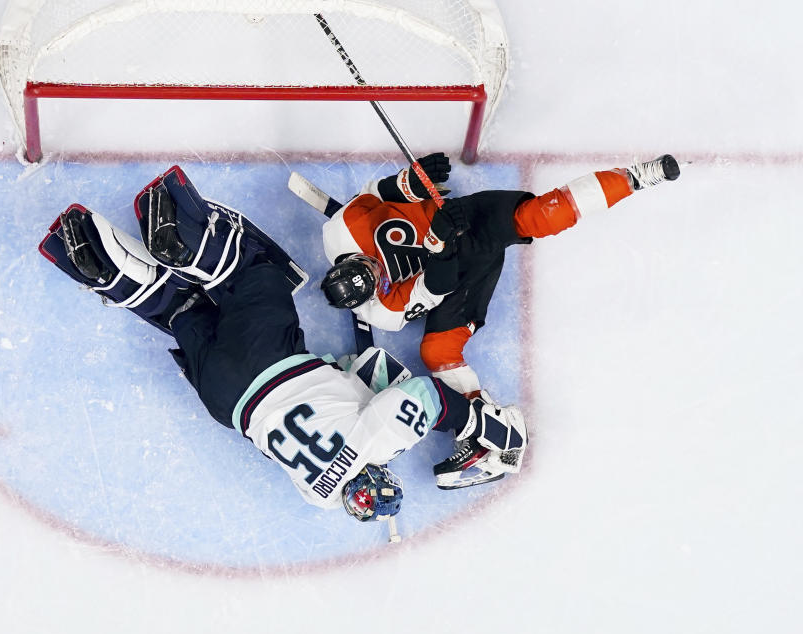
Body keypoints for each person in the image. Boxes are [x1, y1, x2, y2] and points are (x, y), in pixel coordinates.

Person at [39, 166, 529, 519]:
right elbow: (337, 403)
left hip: (268, 363)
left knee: (254, 274)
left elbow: (423, 397)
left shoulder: (378, 443)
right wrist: (351, 377)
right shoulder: (318, 495)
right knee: (182, 311)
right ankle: (94, 262)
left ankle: (180, 238)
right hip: (227, 401)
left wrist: (479, 423)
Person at [319, 153, 681, 478]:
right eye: (374, 278)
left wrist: (409, 183)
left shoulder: (339, 230)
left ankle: (635, 176)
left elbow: (377, 194)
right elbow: (437, 286)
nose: (376, 268)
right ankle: (485, 428)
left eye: (367, 264)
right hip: (457, 270)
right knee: (438, 353)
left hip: (463, 216)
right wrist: (438, 244)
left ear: (347, 260)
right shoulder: (384, 310)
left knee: (538, 216)